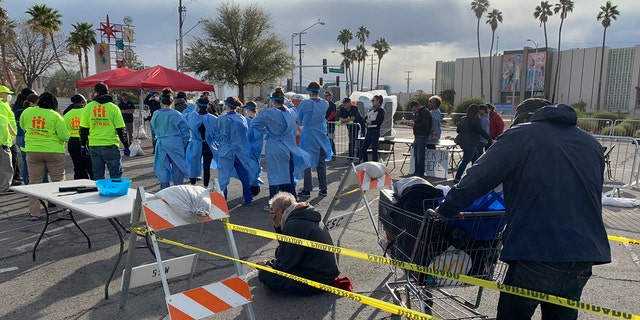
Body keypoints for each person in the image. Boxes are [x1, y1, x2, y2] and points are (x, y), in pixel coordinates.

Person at [437, 99, 611, 319]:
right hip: (584, 253)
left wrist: (446, 209)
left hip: (538, 249)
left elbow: (478, 178)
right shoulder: (590, 142)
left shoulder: (522, 135)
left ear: (525, 118)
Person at [258, 191, 340, 296]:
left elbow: (286, 262)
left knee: (267, 275)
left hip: (318, 279)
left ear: (279, 211)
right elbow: (287, 247)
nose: (272, 216)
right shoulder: (303, 214)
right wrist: (277, 225)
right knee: (276, 259)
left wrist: (267, 265)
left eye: (273, 212)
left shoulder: (294, 224)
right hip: (324, 271)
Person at [250, 87, 311, 211]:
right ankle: (291, 200)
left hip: (274, 145)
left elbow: (254, 123)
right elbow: (296, 126)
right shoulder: (291, 112)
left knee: (274, 175)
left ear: (273, 101)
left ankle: (273, 203)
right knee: (287, 174)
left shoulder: (269, 113)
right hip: (288, 146)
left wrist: (267, 131)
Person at [20, 93, 70, 220]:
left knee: (34, 182)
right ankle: (62, 210)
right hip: (54, 151)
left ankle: (34, 212)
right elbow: (64, 136)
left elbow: (22, 126)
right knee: (58, 181)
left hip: (33, 151)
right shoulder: (56, 116)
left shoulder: (28, 112)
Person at [80, 82, 129, 181]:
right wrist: (126, 145)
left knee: (98, 176)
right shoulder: (113, 108)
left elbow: (83, 129)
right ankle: (115, 195)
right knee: (116, 176)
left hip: (94, 145)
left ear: (95, 93)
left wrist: (83, 145)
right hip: (111, 145)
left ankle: (100, 194)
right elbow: (121, 129)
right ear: (108, 92)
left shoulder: (88, 107)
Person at [216, 96, 256, 206]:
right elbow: (245, 133)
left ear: (227, 106)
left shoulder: (221, 119)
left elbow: (217, 133)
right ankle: (248, 199)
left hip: (225, 151)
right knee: (244, 175)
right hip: (240, 151)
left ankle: (222, 203)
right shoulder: (242, 118)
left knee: (223, 177)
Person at [150, 88, 190, 190]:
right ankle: (178, 189)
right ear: (172, 101)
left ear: (161, 101)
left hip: (162, 142)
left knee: (162, 166)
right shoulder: (177, 114)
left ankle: (164, 190)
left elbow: (153, 127)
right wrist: (183, 145)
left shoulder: (156, 114)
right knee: (178, 166)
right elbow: (185, 132)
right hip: (175, 142)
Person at [298, 81, 332, 198]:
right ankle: (323, 188)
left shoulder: (305, 103)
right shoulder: (324, 103)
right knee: (321, 163)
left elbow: (301, 119)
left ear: (309, 91)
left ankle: (307, 189)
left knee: (307, 162)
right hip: (321, 134)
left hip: (308, 135)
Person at [185, 97, 218, 189]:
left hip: (195, 144)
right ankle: (205, 187)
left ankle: (193, 186)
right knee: (207, 168)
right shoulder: (214, 118)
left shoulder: (191, 116)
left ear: (198, 106)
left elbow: (185, 124)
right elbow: (217, 133)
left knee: (194, 166)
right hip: (208, 145)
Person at [63, 94, 93, 180]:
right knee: (91, 168)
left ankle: (80, 186)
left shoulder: (67, 115)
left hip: (72, 143)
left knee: (78, 168)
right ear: (83, 102)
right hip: (87, 141)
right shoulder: (88, 112)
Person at [14, 93, 40, 184]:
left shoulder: (18, 111)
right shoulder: (31, 112)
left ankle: (27, 182)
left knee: (26, 162)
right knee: (31, 162)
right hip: (26, 136)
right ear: (32, 103)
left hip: (19, 136)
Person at [244, 100, 264, 196]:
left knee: (250, 169)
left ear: (248, 109)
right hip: (257, 147)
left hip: (249, 148)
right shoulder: (259, 120)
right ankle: (255, 187)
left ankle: (252, 188)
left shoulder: (247, 121)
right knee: (255, 167)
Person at [408, 100, 432, 177]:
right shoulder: (419, 113)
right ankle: (416, 170)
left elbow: (425, 124)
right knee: (416, 154)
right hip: (418, 135)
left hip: (423, 135)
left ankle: (420, 172)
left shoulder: (425, 112)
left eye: (414, 109)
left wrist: (414, 124)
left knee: (420, 154)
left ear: (418, 106)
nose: (414, 111)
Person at [0, 85, 18, 189]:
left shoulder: (4, 104)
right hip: (3, 141)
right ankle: (4, 187)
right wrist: (5, 140)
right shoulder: (2, 105)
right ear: (1, 94)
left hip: (5, 139)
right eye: (7, 94)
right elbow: (4, 123)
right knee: (6, 166)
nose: (8, 96)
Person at [360, 95, 385, 163]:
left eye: (373, 100)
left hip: (375, 131)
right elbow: (365, 118)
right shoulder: (371, 110)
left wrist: (371, 122)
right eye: (372, 100)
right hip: (369, 130)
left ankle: (375, 163)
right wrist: (366, 121)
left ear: (378, 101)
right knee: (363, 148)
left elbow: (379, 121)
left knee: (374, 148)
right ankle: (365, 162)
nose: (372, 102)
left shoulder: (381, 110)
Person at [324, 91, 337, 156]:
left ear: (330, 96)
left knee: (331, 139)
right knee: (325, 139)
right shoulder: (324, 104)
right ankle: (327, 154)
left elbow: (333, 113)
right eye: (325, 96)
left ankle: (333, 153)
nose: (325, 97)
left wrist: (327, 119)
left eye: (327, 96)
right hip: (325, 125)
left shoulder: (333, 105)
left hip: (331, 125)